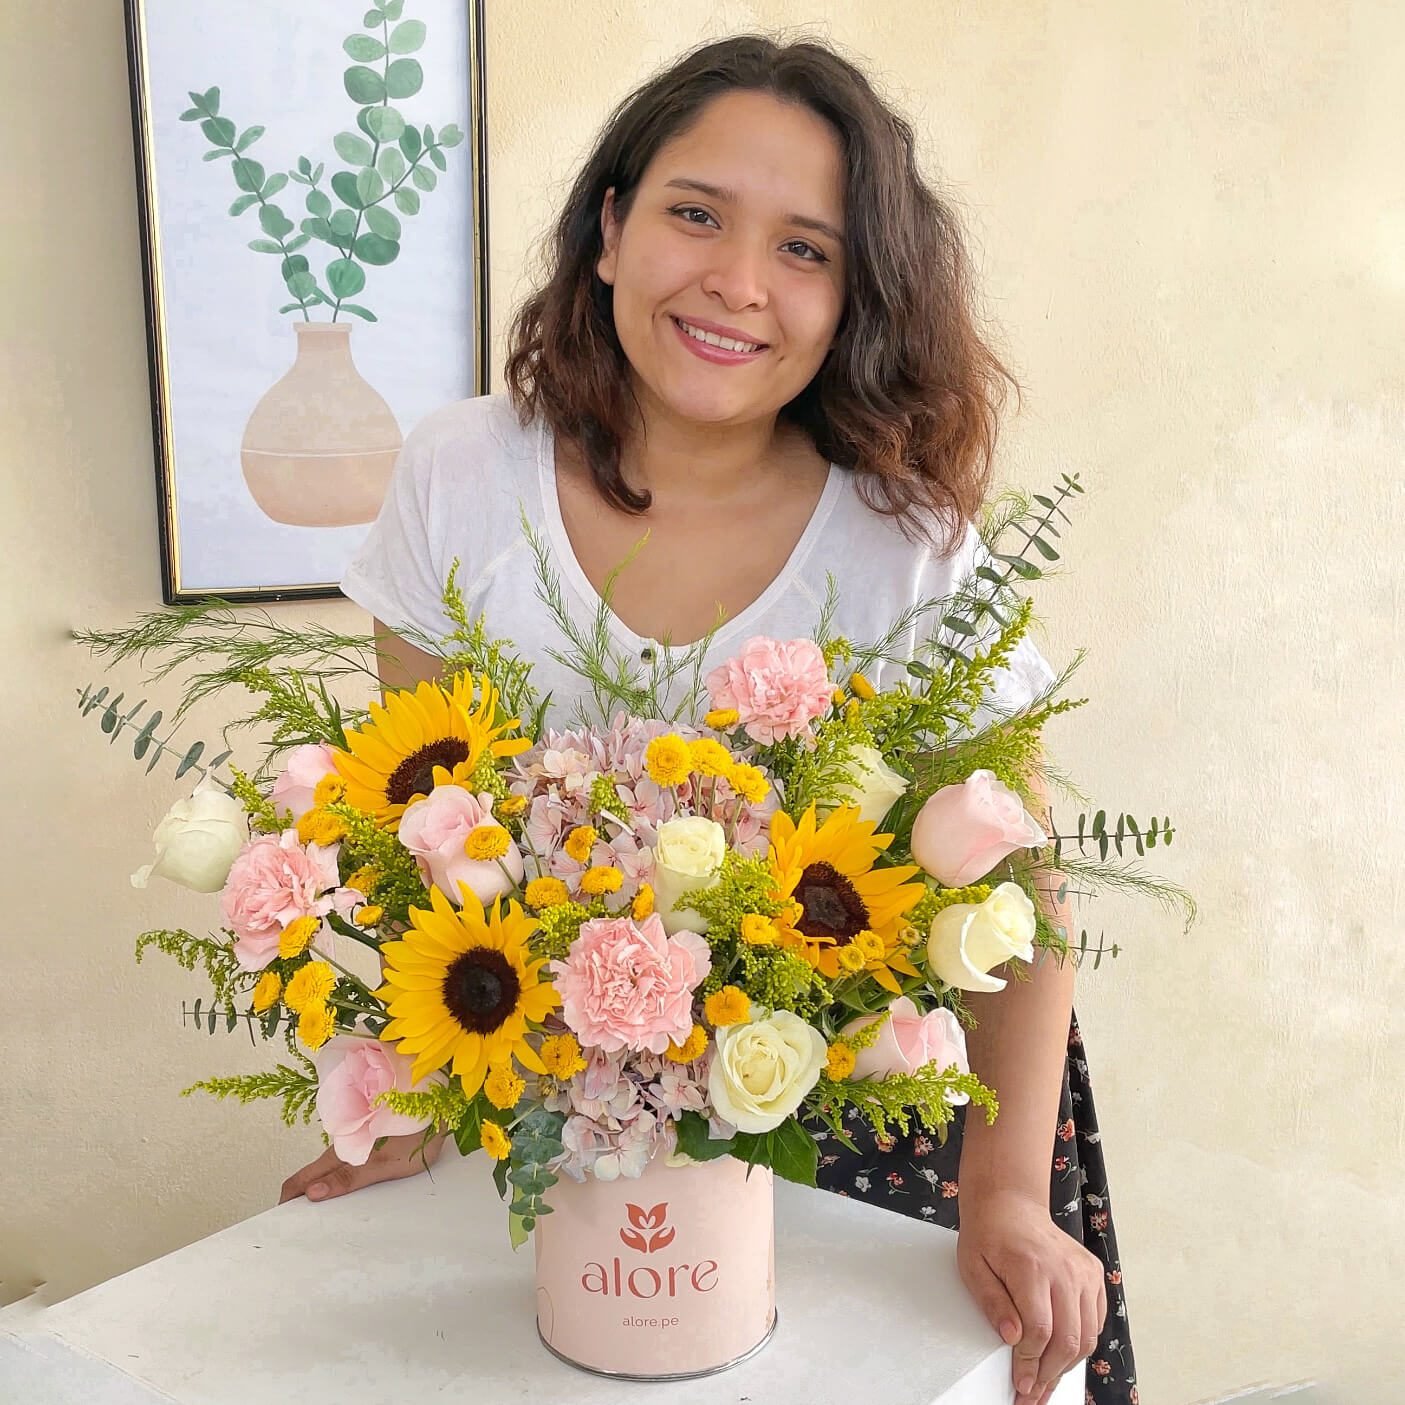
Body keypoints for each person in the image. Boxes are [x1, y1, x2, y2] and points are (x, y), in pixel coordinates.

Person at [278, 35, 1138, 1405]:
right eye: (694, 213)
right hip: (572, 1111)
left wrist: (1008, 1197)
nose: (737, 283)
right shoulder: (460, 474)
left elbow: (1018, 885)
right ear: (609, 228)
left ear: (856, 295)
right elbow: (419, 849)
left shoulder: (903, 545)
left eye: (806, 249)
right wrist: (404, 1097)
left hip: (862, 1114)